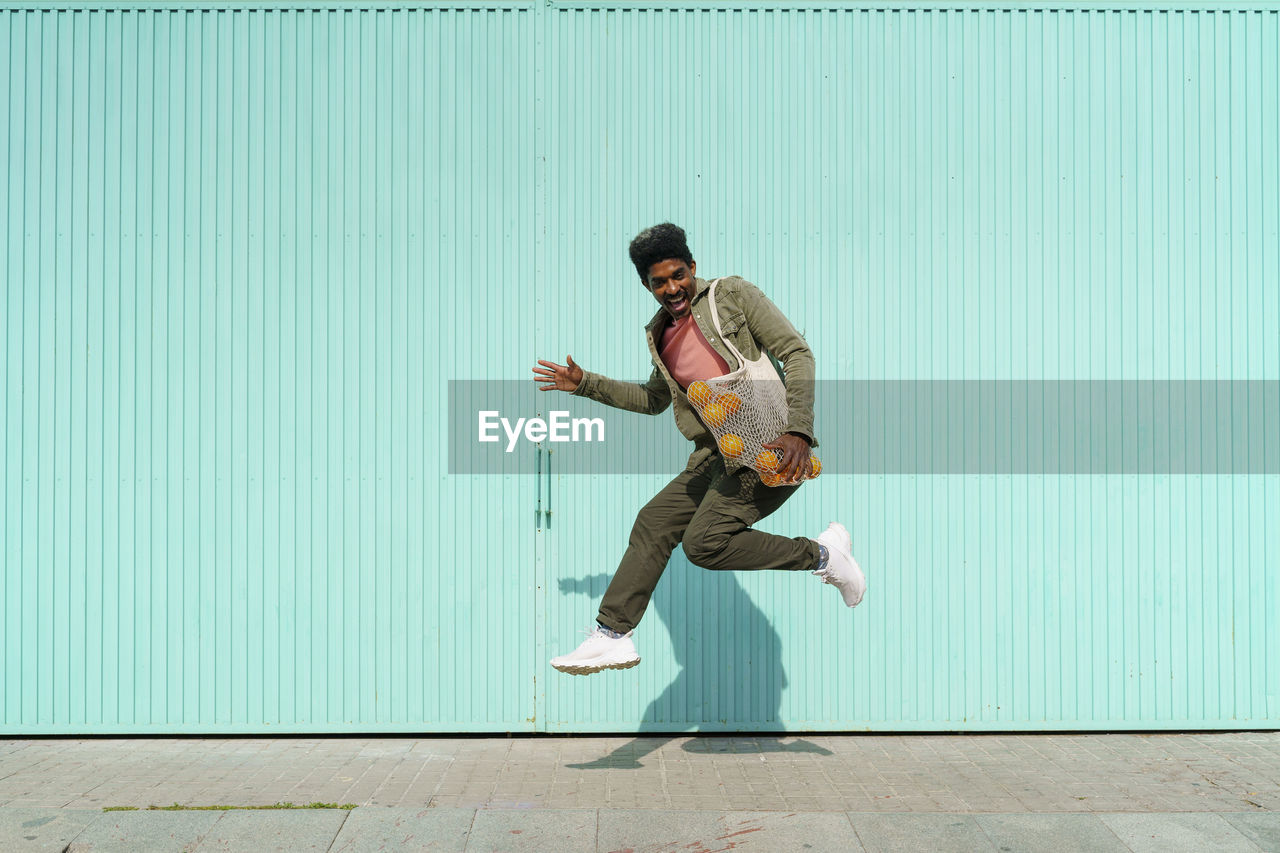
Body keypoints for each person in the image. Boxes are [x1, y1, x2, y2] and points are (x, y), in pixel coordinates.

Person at [532, 223, 865, 676]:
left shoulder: (731, 296)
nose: (672, 289)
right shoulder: (660, 335)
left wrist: (800, 431)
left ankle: (824, 556)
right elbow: (653, 400)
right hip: (714, 457)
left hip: (770, 451)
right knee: (654, 522)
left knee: (703, 543)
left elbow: (797, 353)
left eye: (677, 275)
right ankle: (612, 636)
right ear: (646, 286)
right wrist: (586, 384)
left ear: (693, 268)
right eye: (659, 282)